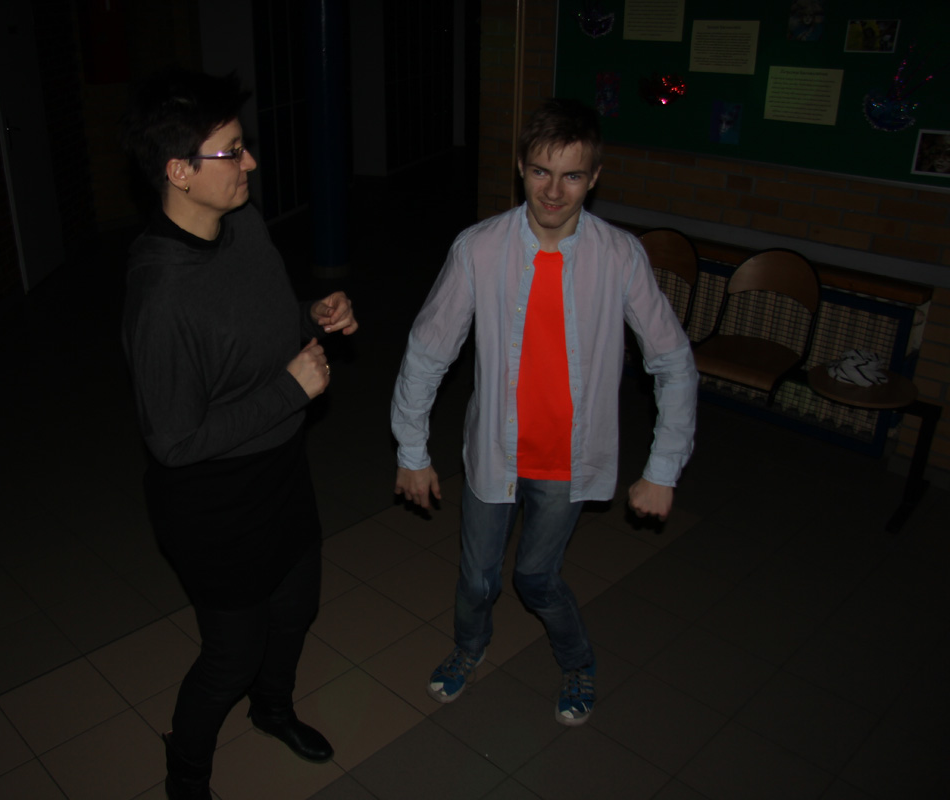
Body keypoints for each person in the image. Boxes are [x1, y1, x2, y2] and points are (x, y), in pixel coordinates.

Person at [391, 98, 697, 726]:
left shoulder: (619, 256)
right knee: (477, 579)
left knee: (535, 578)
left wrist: (662, 469)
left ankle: (577, 662)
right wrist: (412, 451)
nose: (554, 192)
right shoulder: (479, 249)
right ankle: (469, 646)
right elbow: (427, 353)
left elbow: (673, 362)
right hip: (494, 453)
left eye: (572, 175)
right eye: (540, 172)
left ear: (595, 176)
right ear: (521, 168)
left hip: (568, 462)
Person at [121, 69, 357, 799]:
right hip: (214, 505)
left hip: (281, 472)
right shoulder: (162, 296)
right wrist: (290, 389)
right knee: (231, 655)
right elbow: (173, 441)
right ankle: (186, 774)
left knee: (296, 608)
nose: (250, 161)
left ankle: (273, 710)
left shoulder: (242, 223)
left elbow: (258, 317)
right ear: (180, 172)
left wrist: (312, 313)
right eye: (231, 151)